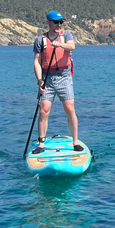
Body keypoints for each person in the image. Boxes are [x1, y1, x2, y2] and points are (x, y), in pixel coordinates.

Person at [32, 10, 81, 154]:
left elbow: (72, 46)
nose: (59, 25)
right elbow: (37, 61)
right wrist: (40, 81)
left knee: (70, 108)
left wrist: (60, 45)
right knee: (44, 109)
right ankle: (41, 144)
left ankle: (75, 141)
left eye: (61, 22)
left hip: (64, 76)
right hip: (47, 77)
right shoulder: (40, 40)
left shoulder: (66, 36)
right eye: (56, 22)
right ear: (48, 22)